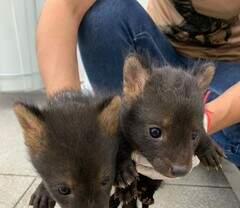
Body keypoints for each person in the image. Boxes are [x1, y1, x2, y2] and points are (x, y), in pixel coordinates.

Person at [36, 0, 240, 168]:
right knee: (104, 15)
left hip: (231, 66)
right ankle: (126, 147)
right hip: (159, 53)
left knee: (234, 131)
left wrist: (204, 121)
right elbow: (65, 6)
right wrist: (68, 119)